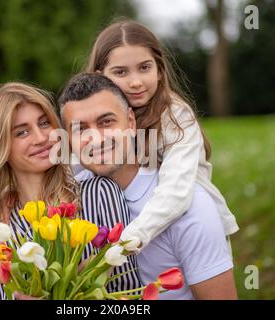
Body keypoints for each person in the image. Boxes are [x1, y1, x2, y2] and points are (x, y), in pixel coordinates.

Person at [0, 82, 141, 299]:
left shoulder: (97, 195)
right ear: (0, 145)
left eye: (44, 123)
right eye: (22, 132)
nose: (41, 138)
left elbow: (129, 292)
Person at [58, 73, 238, 299]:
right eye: (80, 129)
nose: (96, 138)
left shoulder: (191, 208)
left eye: (107, 122)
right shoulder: (66, 207)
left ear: (131, 123)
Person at [81, 19, 239, 251]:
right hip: (132, 231)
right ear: (99, 76)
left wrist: (121, 245)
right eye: (121, 72)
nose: (135, 82)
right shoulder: (91, 118)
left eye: (144, 68)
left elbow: (176, 191)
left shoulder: (176, 117)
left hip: (185, 229)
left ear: (159, 71)